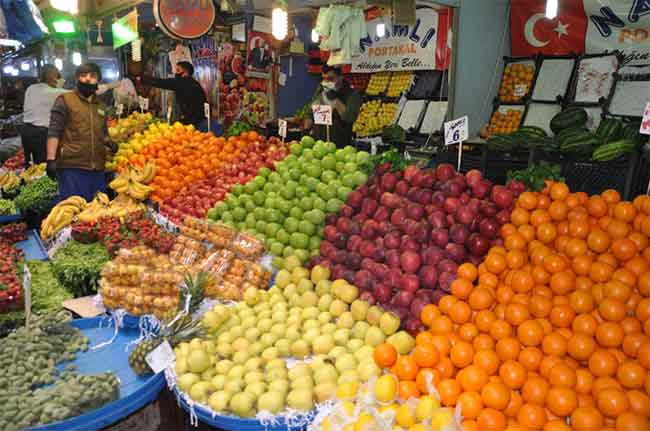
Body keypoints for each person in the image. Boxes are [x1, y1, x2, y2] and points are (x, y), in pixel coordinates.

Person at [46, 63, 117, 201]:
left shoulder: (100, 105)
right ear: (77, 78)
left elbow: (103, 132)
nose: (88, 79)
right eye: (83, 75)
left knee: (96, 212)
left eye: (92, 76)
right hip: (72, 168)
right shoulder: (65, 100)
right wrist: (50, 159)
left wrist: (110, 142)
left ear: (99, 79)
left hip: (97, 168)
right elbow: (54, 131)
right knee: (75, 213)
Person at [20, 64, 67, 167]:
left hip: (26, 132)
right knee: (45, 166)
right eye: (57, 76)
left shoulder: (31, 88)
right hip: (41, 134)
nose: (59, 78)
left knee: (31, 165)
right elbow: (79, 94)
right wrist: (109, 86)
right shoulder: (52, 92)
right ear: (51, 76)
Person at [306, 65, 361, 148]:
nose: (326, 82)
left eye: (331, 79)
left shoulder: (352, 95)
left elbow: (349, 118)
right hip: (318, 143)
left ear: (340, 77)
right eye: (324, 79)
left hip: (340, 146)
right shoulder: (321, 90)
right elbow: (311, 111)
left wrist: (335, 100)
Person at [141, 61, 207, 129]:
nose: (175, 73)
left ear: (186, 72)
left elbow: (163, 82)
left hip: (193, 120)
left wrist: (144, 79)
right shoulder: (194, 83)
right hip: (197, 118)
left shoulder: (183, 82)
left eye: (178, 70)